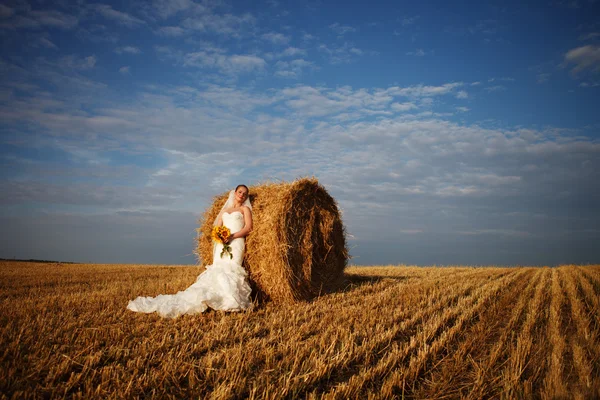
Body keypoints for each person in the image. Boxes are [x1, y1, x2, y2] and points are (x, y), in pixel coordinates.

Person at [127, 185, 254, 318]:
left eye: (245, 194)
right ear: (234, 193)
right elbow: (217, 227)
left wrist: (232, 236)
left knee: (231, 268)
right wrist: (220, 236)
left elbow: (248, 228)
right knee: (219, 268)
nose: (242, 195)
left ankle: (231, 300)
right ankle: (218, 300)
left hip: (236, 241)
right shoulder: (225, 210)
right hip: (223, 243)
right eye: (240, 192)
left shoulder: (244, 209)